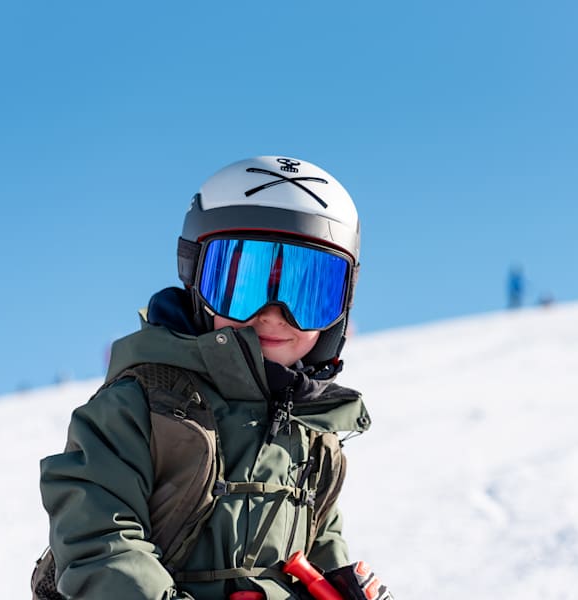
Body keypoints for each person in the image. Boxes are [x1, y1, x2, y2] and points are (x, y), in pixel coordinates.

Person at [39, 156, 394, 600]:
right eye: (244, 282)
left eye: (307, 291)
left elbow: (321, 553)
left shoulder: (315, 440)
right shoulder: (139, 407)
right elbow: (99, 544)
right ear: (195, 278)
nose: (273, 314)